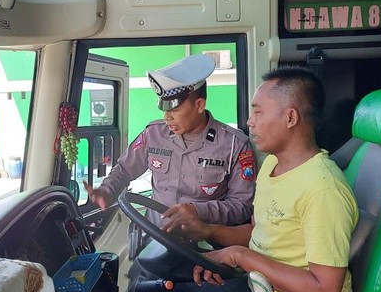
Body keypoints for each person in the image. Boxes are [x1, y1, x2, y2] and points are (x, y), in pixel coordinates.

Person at [170, 67, 359, 292]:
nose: (249, 121)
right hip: (264, 290)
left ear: (291, 118)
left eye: (258, 112)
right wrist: (206, 231)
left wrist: (240, 257)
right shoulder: (272, 165)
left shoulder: (323, 188)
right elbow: (259, 232)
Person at [85, 54, 255, 235]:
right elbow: (125, 170)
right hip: (154, 239)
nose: (167, 118)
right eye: (164, 109)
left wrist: (198, 211)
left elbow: (241, 206)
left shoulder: (234, 145)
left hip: (205, 246)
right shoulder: (154, 134)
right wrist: (106, 191)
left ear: (199, 105)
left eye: (174, 109)